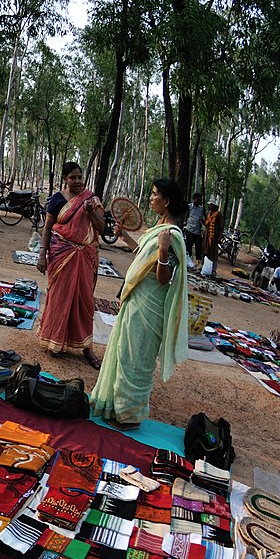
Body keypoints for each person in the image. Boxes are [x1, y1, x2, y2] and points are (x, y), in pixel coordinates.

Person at [91, 178, 190, 430]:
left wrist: (164, 251)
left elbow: (163, 277)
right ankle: (114, 407)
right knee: (124, 353)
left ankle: (130, 415)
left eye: (155, 194)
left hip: (150, 306)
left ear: (166, 201)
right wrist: (125, 237)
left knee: (138, 360)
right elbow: (144, 259)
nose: (151, 198)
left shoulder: (172, 236)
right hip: (135, 300)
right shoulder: (158, 229)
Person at [36, 162, 105, 368]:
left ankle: (87, 347)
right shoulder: (57, 200)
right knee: (59, 298)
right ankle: (55, 341)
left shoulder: (91, 200)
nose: (77, 181)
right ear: (65, 179)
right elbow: (47, 228)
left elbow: (101, 227)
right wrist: (42, 254)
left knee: (84, 301)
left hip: (85, 256)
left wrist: (91, 212)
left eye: (79, 177)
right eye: (72, 177)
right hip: (61, 255)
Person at [184, 193, 205, 265]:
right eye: (197, 199)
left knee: (198, 248)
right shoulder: (189, 207)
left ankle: (198, 263)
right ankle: (188, 262)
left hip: (198, 231)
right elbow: (186, 215)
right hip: (189, 230)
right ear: (194, 199)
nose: (199, 201)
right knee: (188, 247)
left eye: (200, 200)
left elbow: (203, 218)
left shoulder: (201, 209)